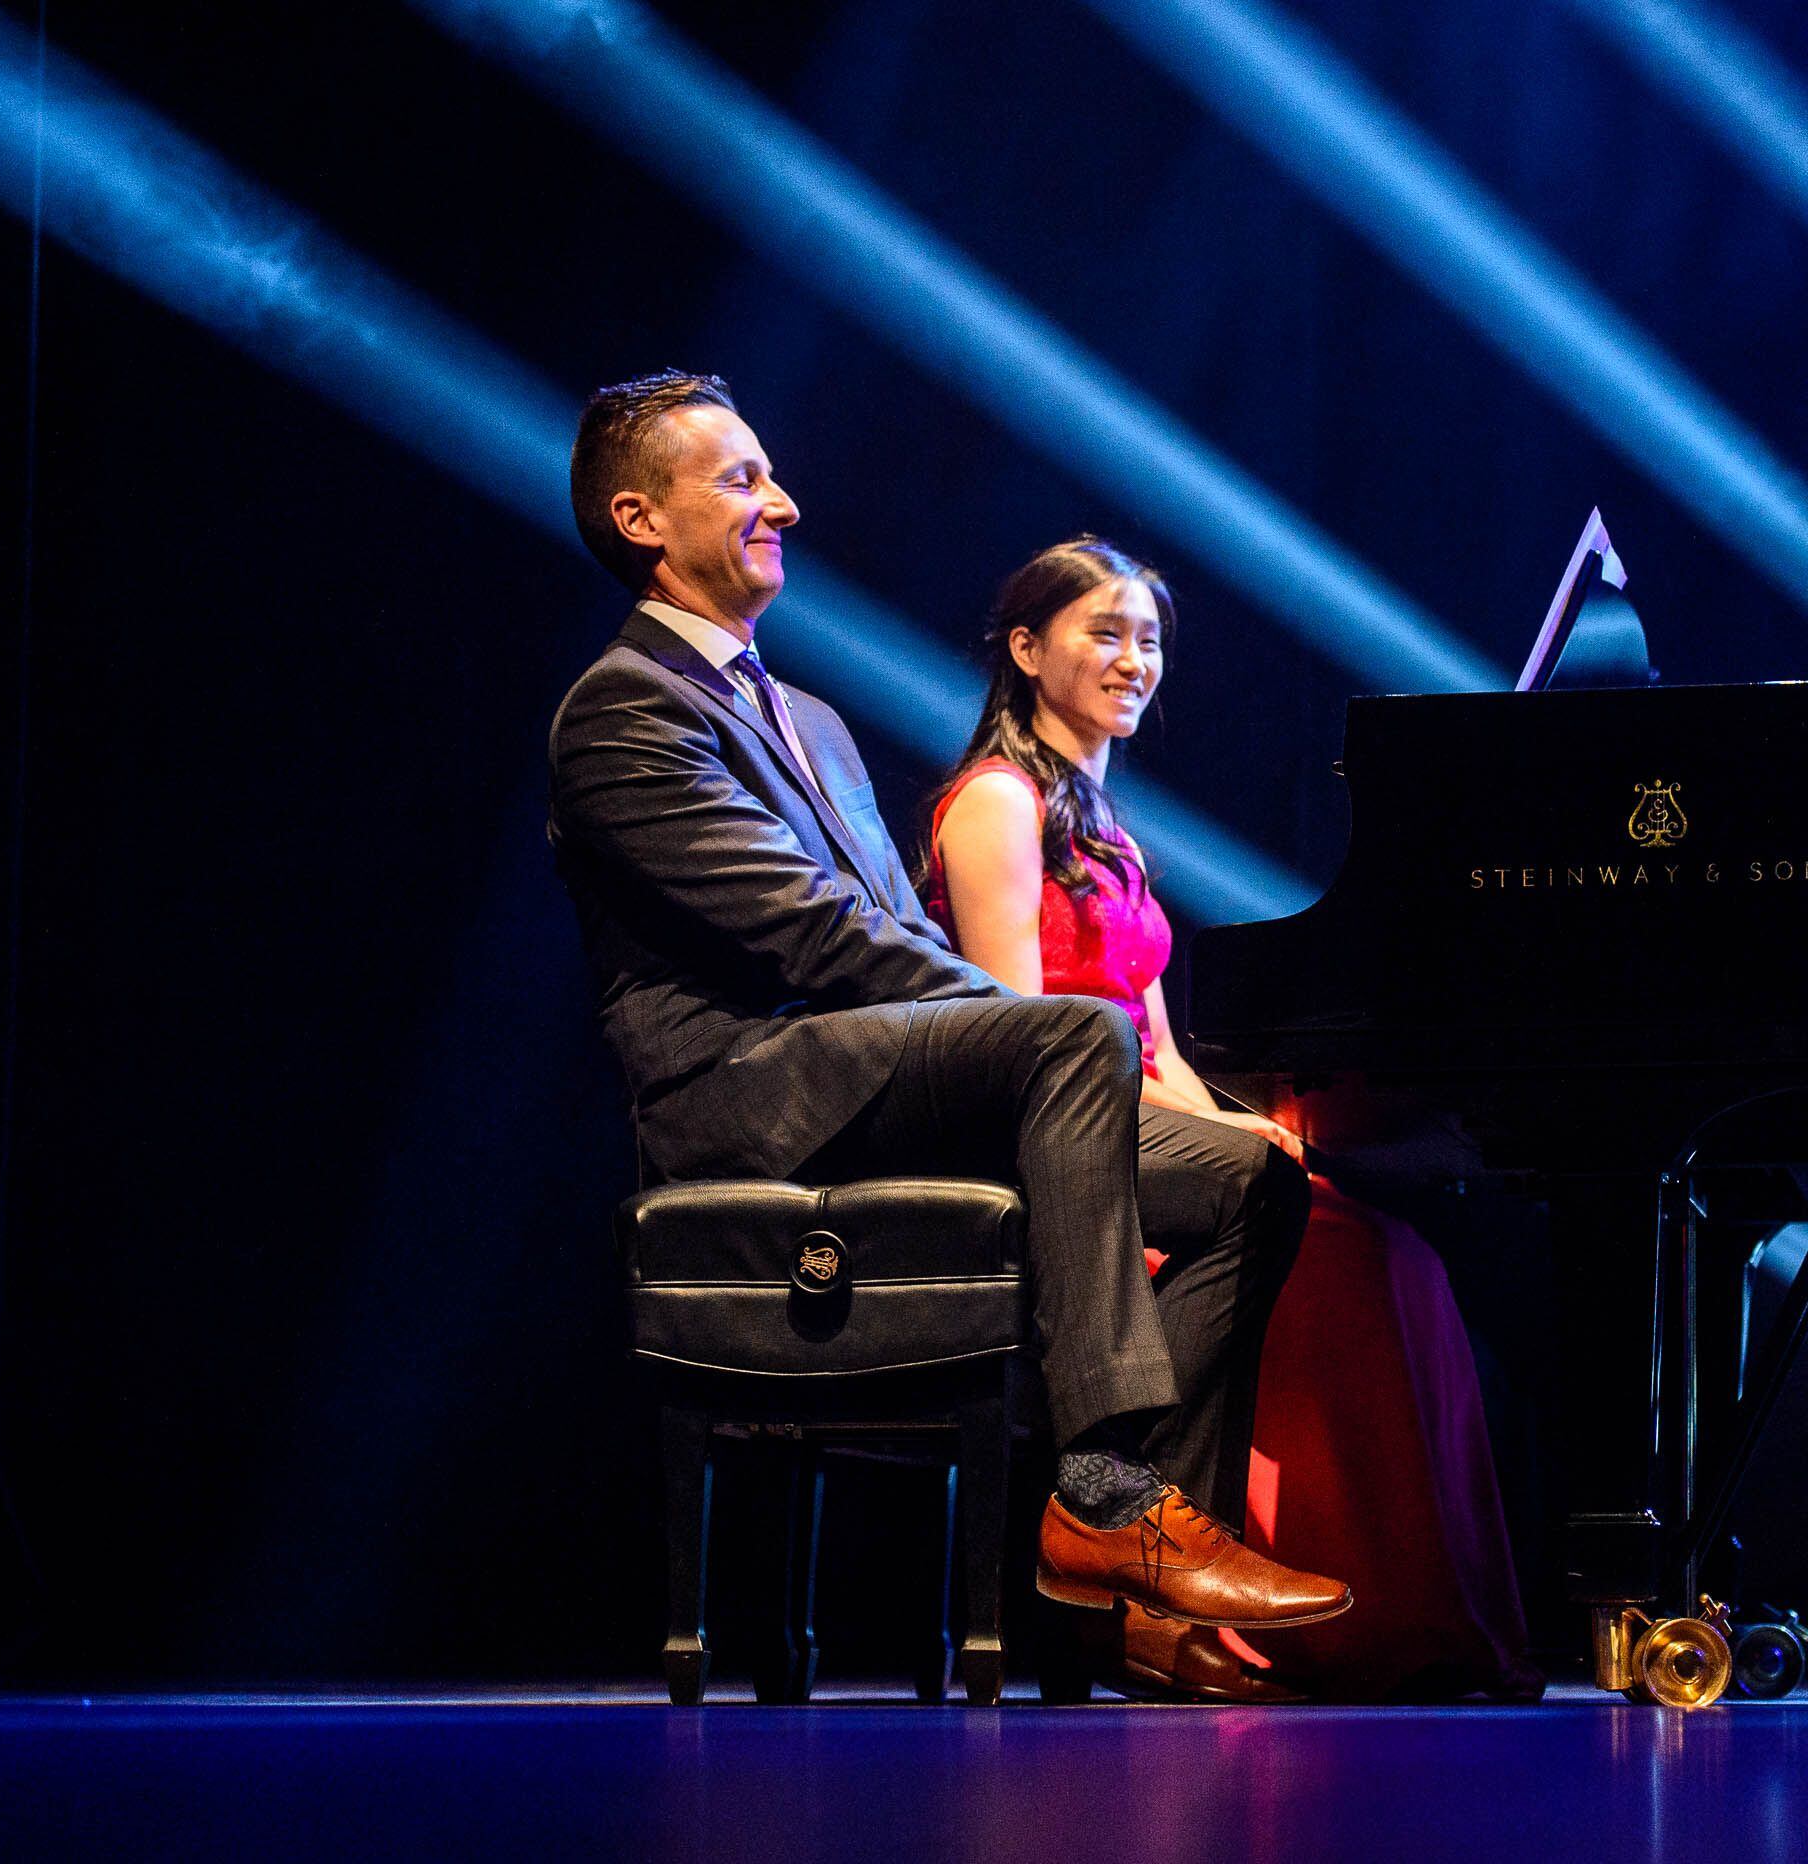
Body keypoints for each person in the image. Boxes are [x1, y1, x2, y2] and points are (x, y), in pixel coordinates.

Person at [545, 373, 1350, 1655]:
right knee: (1070, 1036)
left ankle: (1156, 1557)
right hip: (755, 1098)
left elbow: (894, 937)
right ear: (642, 518)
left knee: (1251, 1183)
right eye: (743, 479)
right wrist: (1012, 1031)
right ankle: (1102, 1489)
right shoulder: (621, 710)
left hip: (877, 1070)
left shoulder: (805, 714)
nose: (783, 503)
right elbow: (810, 936)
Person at [923, 537, 1543, 1703]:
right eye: (1103, 633)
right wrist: (1214, 1138)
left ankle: (1341, 1602)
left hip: (1139, 1120)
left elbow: (1160, 1050)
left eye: (1148, 639)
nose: (1132, 659)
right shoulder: (996, 804)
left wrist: (1255, 1129)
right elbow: (1020, 1034)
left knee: (1377, 1237)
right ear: (1024, 649)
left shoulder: (1106, 826)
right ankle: (1172, 1569)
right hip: (1054, 1142)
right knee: (1329, 1247)